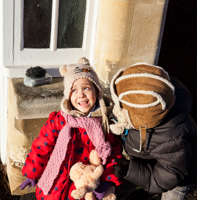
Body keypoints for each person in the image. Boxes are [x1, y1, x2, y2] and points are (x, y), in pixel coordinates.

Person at [20, 57, 124, 200]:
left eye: (86, 88)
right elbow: (41, 145)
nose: (81, 94)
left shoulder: (104, 124)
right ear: (68, 96)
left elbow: (113, 154)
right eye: (74, 90)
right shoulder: (59, 120)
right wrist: (32, 172)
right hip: (56, 180)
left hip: (83, 184)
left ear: (97, 91)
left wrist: (107, 182)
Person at [110, 62, 197, 200]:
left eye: (121, 108)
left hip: (177, 176)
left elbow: (165, 177)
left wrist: (131, 170)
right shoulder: (143, 115)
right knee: (126, 184)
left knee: (171, 196)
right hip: (147, 161)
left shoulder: (171, 138)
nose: (117, 111)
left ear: (142, 118)